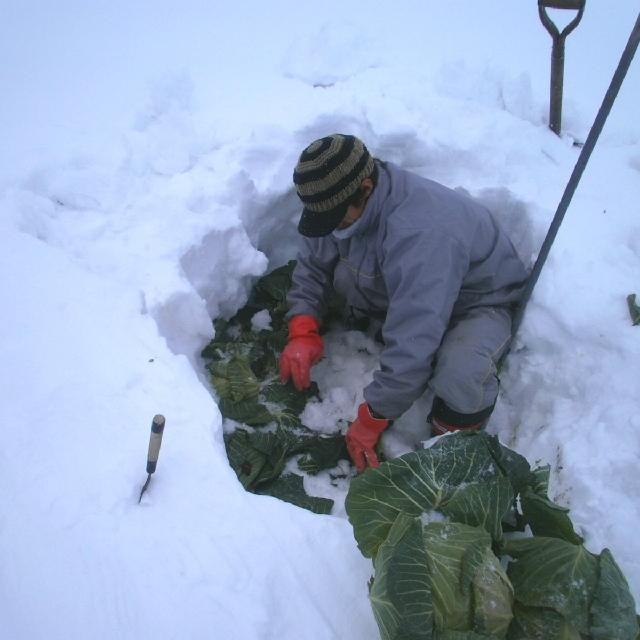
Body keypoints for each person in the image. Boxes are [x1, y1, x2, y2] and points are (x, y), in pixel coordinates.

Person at [279, 134, 528, 473]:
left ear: (365, 188)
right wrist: (303, 328)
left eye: (337, 217)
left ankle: (449, 449)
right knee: (343, 271)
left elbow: (415, 337)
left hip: (476, 303)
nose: (332, 225)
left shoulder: (421, 233)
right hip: (418, 289)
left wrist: (373, 417)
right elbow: (313, 263)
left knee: (462, 373)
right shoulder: (345, 197)